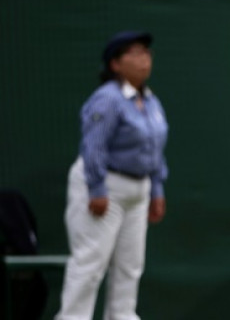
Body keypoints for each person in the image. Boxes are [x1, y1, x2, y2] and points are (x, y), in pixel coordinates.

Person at [56, 31, 168, 320]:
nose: (144, 59)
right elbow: (93, 146)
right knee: (90, 264)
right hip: (105, 187)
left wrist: (156, 189)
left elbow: (155, 149)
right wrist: (96, 188)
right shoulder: (106, 99)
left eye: (147, 53)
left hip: (138, 191)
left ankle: (122, 316)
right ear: (115, 64)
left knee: (130, 266)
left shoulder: (151, 101)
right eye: (135, 53)